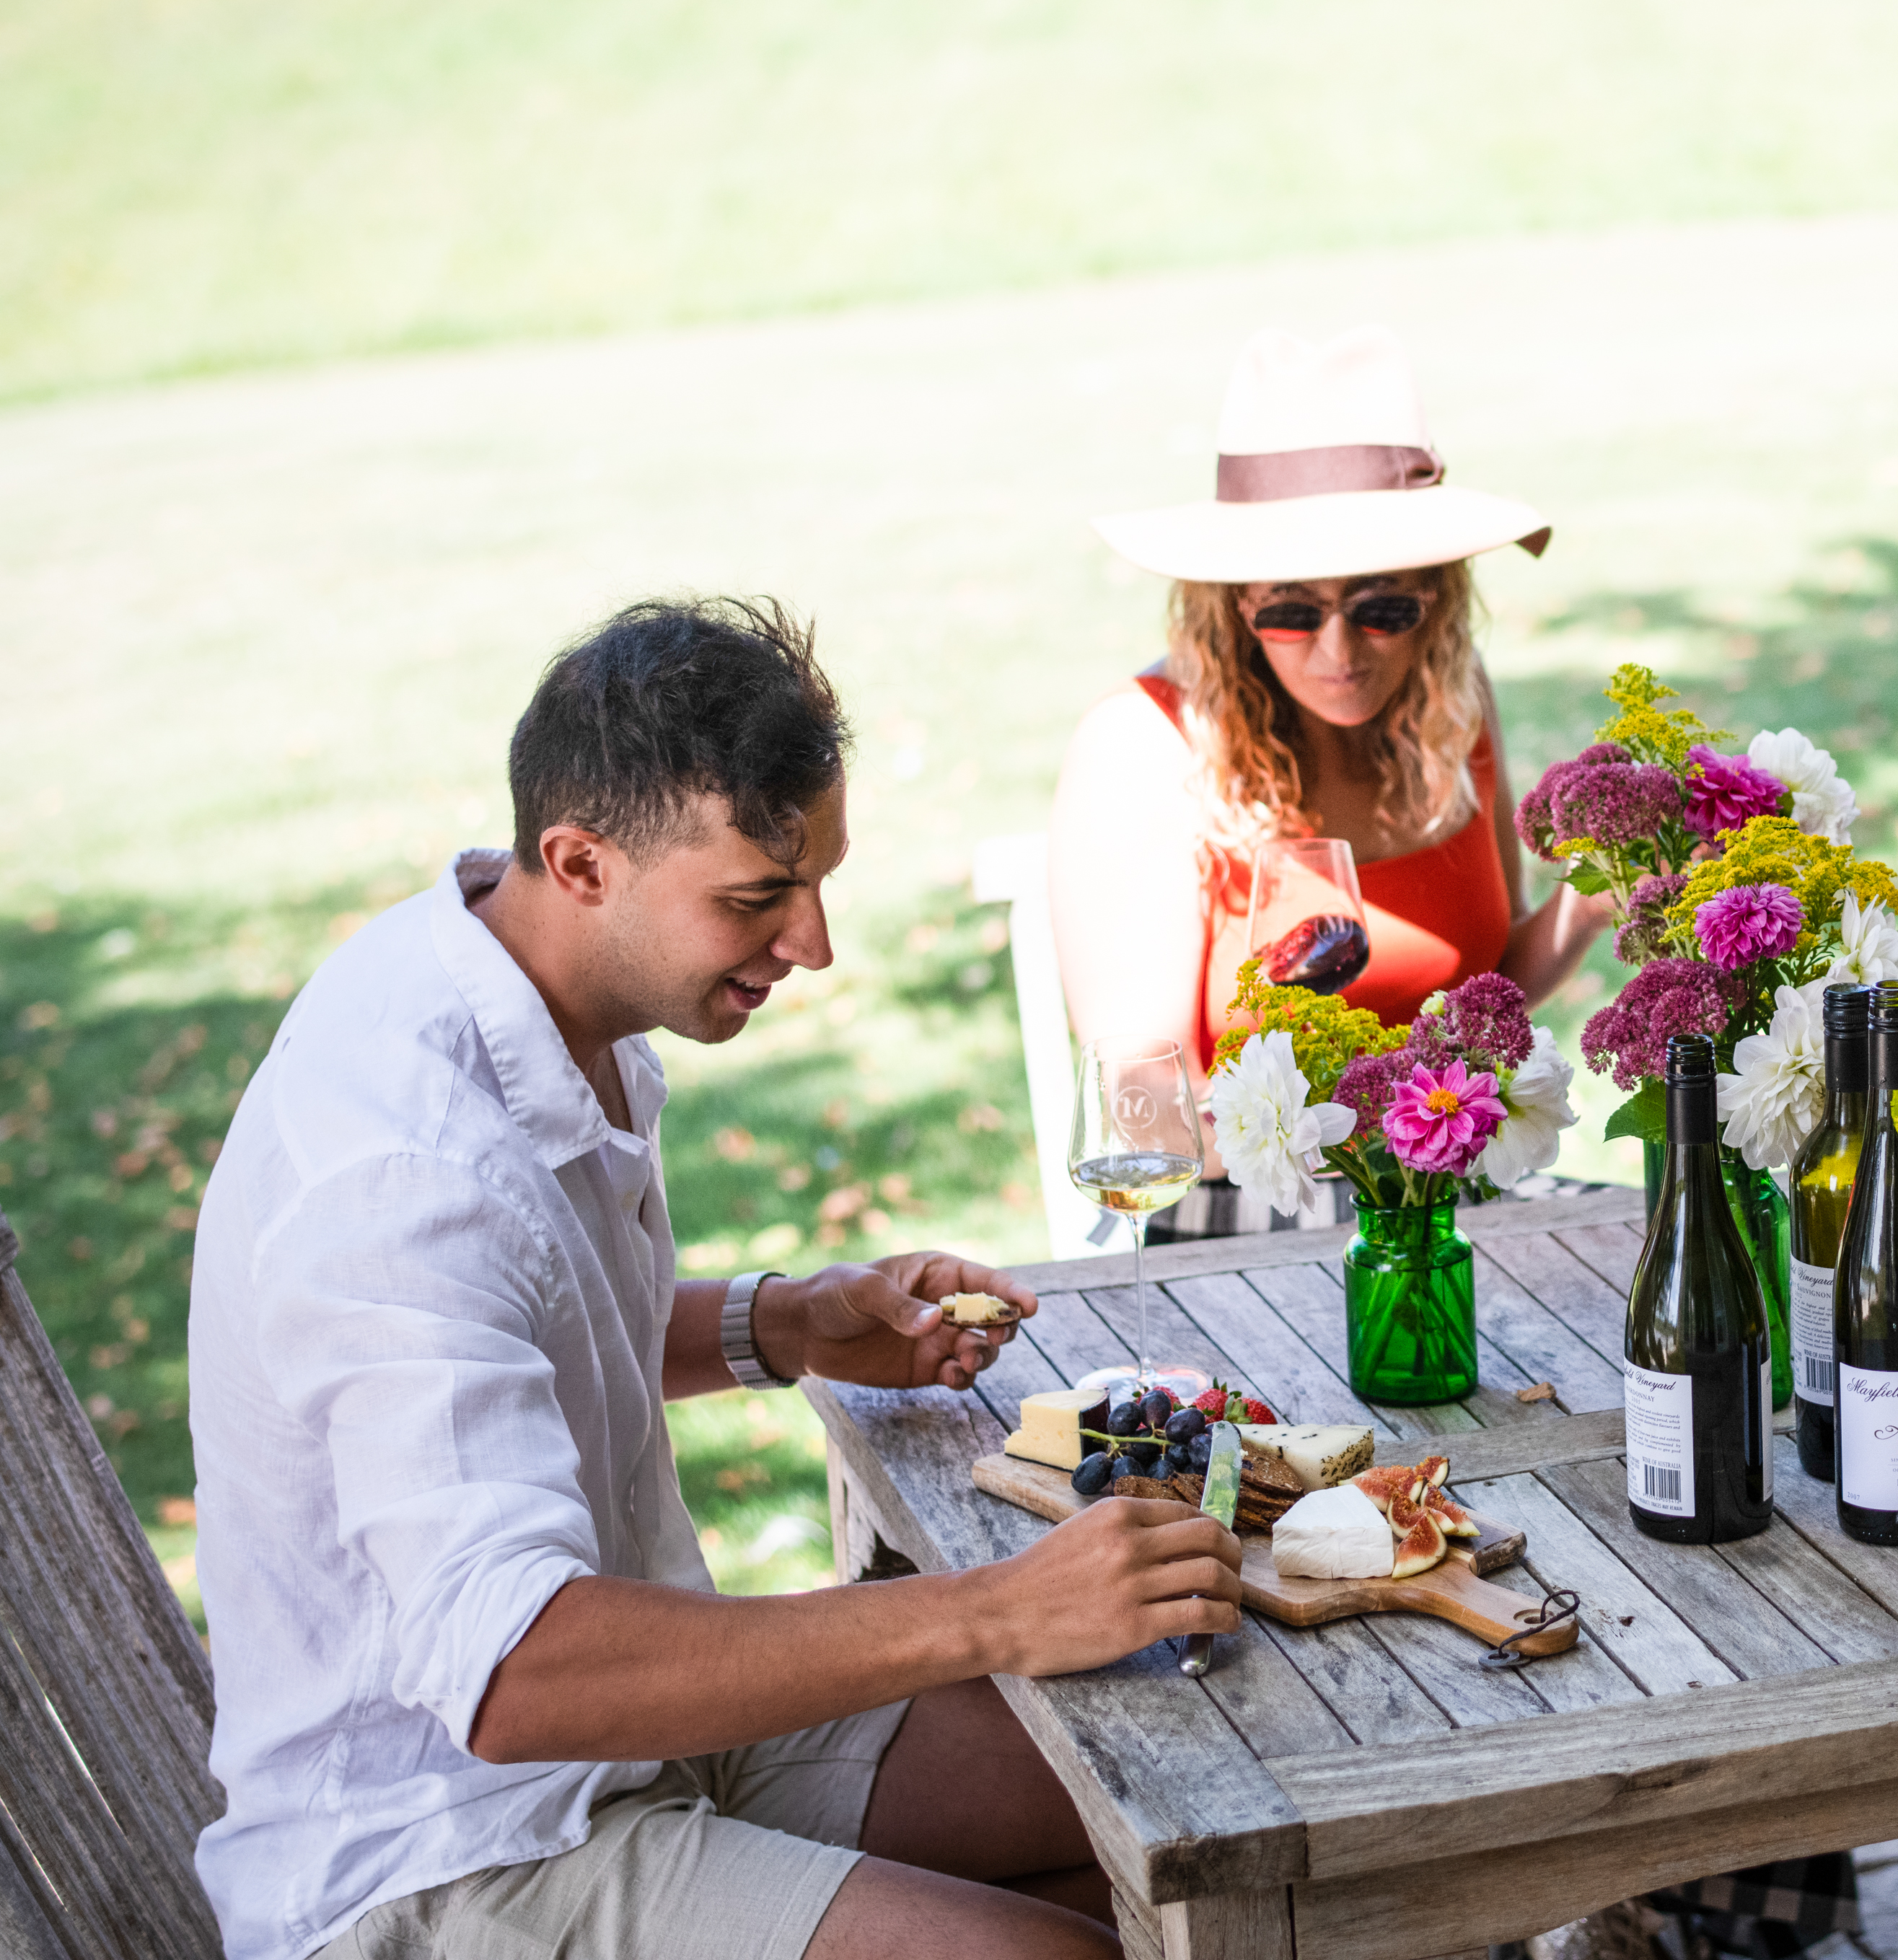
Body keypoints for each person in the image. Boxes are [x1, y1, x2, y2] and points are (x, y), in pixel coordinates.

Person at [190, 599, 1244, 1960]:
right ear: (581, 862)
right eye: (756, 899)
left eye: (818, 883)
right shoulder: (403, 1170)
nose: (813, 945)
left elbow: (533, 1328)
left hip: (643, 1741)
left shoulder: (545, 983)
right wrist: (992, 1607)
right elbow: (513, 1672)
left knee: (1167, 1795)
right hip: (451, 1847)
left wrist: (786, 1324)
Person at [1052, 327, 1607, 1224]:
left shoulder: (1452, 706)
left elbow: (1485, 975)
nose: (1340, 654)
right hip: (1236, 1201)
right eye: (1292, 612)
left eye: (1384, 606)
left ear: (1439, 592)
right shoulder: (1148, 739)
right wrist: (1367, 1143)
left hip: (1440, 1176)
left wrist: (1590, 902)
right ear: (1236, 604)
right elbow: (1141, 1101)